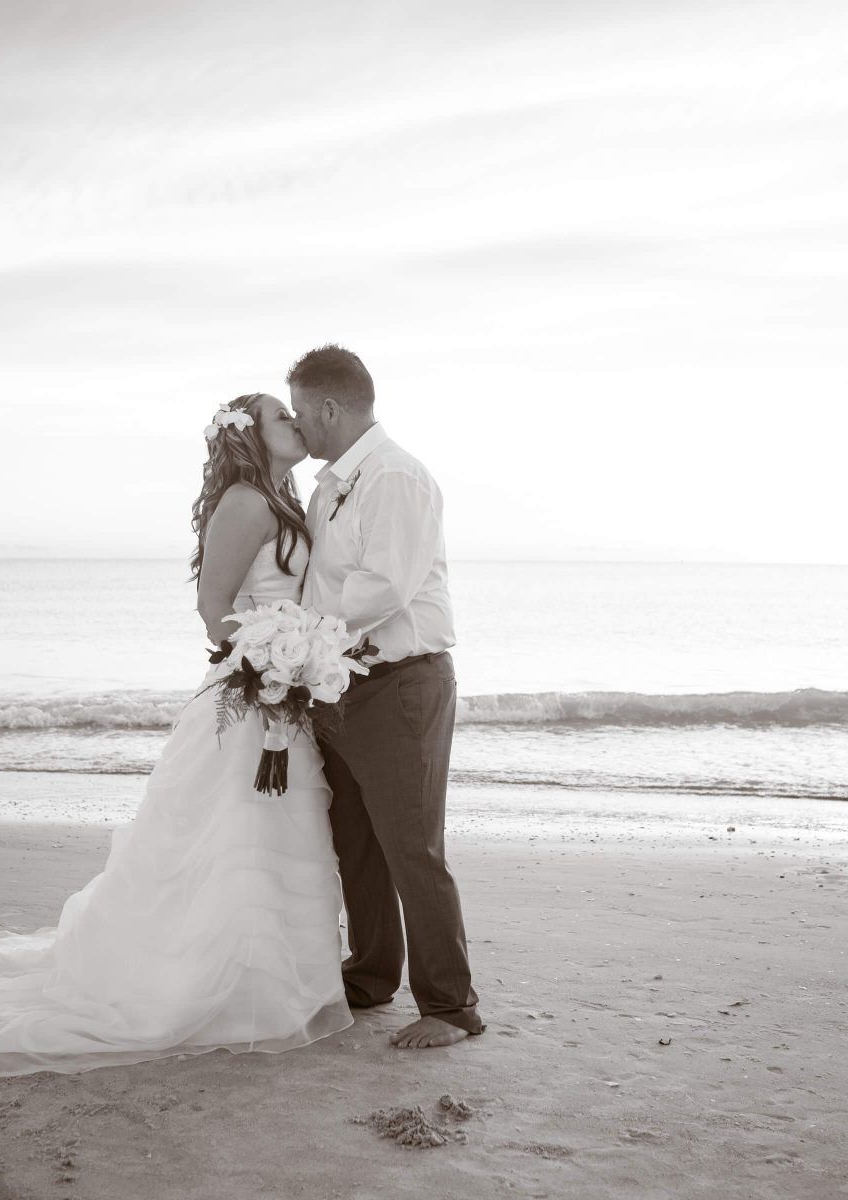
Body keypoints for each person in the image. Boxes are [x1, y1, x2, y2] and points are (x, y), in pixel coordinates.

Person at [0, 394, 351, 1076]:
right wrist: (269, 654)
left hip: (283, 699)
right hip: (250, 696)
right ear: (253, 434)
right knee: (231, 842)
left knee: (274, 839)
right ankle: (206, 985)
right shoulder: (249, 503)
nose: (296, 422)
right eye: (282, 415)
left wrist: (305, 654)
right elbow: (212, 608)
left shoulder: (288, 499)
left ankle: (267, 981)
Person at [289, 345, 484, 1049]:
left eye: (303, 415)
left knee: (411, 846)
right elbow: (323, 582)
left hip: (400, 683)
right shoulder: (330, 486)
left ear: (331, 409)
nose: (298, 428)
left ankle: (451, 1007)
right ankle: (371, 976)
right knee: (356, 846)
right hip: (339, 682)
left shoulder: (396, 477)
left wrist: (296, 637)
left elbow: (383, 589)